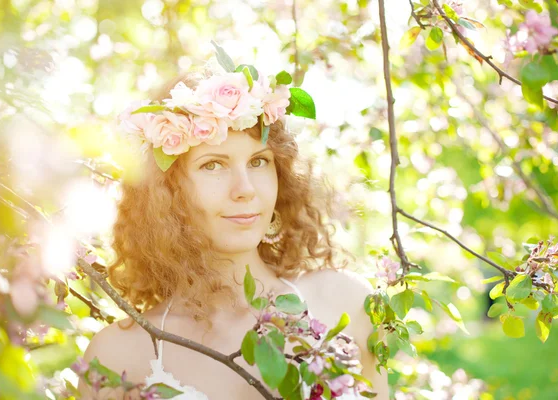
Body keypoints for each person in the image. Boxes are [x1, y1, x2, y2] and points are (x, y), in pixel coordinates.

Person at [78, 57, 390, 399]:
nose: (245, 189)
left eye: (259, 162)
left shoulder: (344, 302)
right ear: (162, 192)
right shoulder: (117, 357)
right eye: (213, 165)